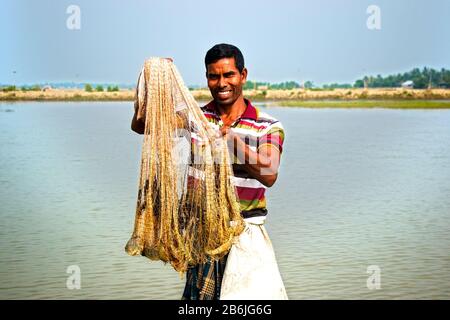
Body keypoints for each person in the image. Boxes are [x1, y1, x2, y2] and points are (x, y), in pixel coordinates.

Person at [131, 44, 287, 300]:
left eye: (229, 75)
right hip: (202, 237)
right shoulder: (195, 119)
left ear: (243, 75)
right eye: (214, 76)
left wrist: (232, 140)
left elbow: (269, 173)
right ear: (207, 79)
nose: (222, 83)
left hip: (245, 236)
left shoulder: (266, 126)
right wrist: (155, 79)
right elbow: (142, 125)